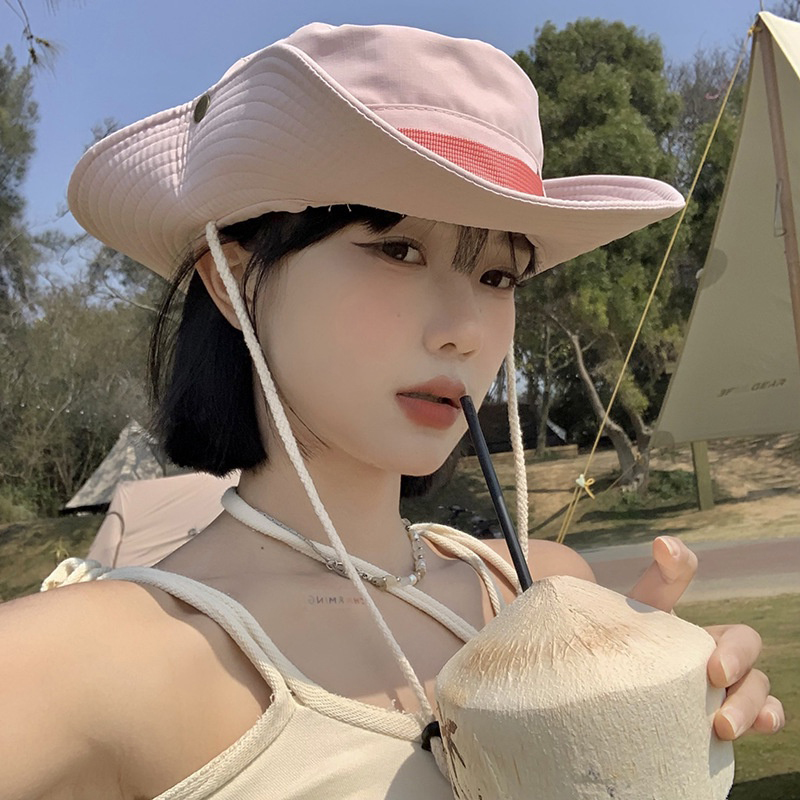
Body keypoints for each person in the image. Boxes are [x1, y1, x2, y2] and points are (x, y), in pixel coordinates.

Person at [1, 22, 784, 799]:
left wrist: (655, 720)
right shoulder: (80, 664)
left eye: (499, 276)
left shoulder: (535, 585)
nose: (465, 329)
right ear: (233, 283)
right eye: (398, 249)